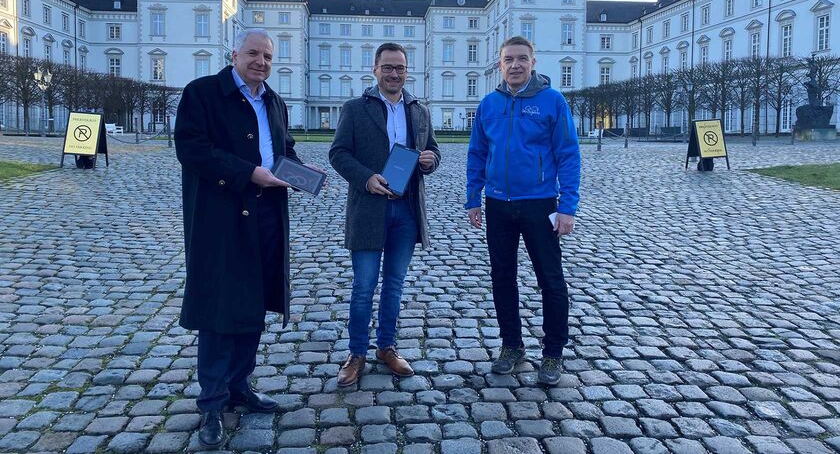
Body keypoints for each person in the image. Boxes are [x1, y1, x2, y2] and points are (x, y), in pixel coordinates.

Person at [174, 29, 306, 448]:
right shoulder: (203, 93)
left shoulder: (274, 100)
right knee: (218, 310)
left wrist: (302, 175)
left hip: (267, 212)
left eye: (268, 56)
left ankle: (240, 386)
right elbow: (191, 149)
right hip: (220, 218)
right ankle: (211, 402)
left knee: (253, 303)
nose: (261, 62)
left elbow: (283, 147)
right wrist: (248, 172)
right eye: (253, 53)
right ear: (235, 54)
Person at [465, 36, 580, 386]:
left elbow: (568, 154)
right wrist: (473, 198)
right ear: (499, 65)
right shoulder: (488, 104)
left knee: (551, 279)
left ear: (533, 62)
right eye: (508, 60)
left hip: (539, 203)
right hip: (498, 204)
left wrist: (567, 206)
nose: (515, 65)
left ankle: (553, 352)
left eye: (521, 59)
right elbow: (477, 153)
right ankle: (512, 345)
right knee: (502, 277)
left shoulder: (552, 101)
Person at [329, 42, 441, 387]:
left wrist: (430, 160)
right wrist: (366, 177)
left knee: (394, 286)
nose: (394, 74)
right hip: (369, 208)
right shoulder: (355, 108)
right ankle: (357, 352)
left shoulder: (419, 110)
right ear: (375, 69)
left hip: (406, 210)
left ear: (407, 72)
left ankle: (387, 347)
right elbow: (338, 153)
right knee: (364, 287)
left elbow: (434, 149)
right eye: (388, 67)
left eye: (400, 68)